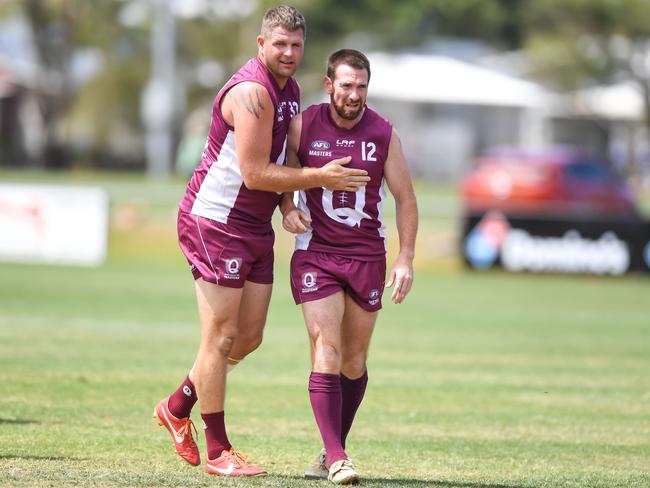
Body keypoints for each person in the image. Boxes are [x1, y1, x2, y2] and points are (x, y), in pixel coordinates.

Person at [153, 7, 370, 478]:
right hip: (215, 221)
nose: (289, 53)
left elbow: (274, 164)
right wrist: (319, 177)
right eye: (280, 45)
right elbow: (254, 172)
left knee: (247, 339)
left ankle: (176, 405)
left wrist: (288, 205)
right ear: (260, 44)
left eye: (296, 45)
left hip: (254, 226)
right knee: (221, 336)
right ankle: (217, 450)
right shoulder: (252, 92)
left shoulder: (289, 90)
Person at [280, 48, 418, 484]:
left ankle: (327, 450)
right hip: (316, 254)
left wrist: (406, 257)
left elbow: (406, 199)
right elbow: (284, 176)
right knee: (327, 347)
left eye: (361, 86)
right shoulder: (304, 124)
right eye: (346, 85)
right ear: (329, 85)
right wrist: (287, 208)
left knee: (354, 362)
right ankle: (340, 458)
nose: (354, 94)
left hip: (366, 257)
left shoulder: (383, 133)